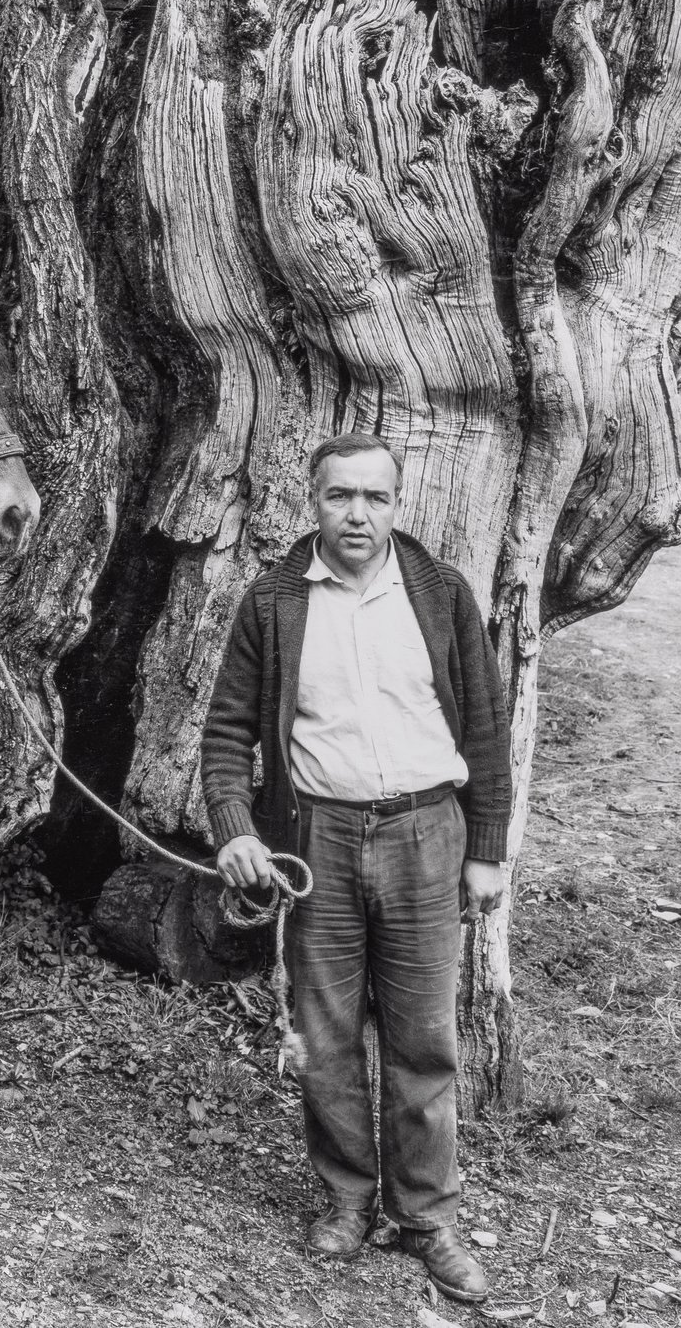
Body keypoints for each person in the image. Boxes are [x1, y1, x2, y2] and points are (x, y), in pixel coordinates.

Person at [200, 432, 514, 1307]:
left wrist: (487, 848)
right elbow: (226, 732)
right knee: (326, 1034)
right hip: (317, 842)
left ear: (396, 504)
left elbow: (485, 727)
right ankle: (346, 1200)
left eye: (375, 498)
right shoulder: (273, 601)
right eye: (341, 496)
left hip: (425, 834)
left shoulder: (441, 594)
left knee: (424, 1037)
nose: (357, 515)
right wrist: (233, 826)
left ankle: (427, 1217)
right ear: (314, 499)